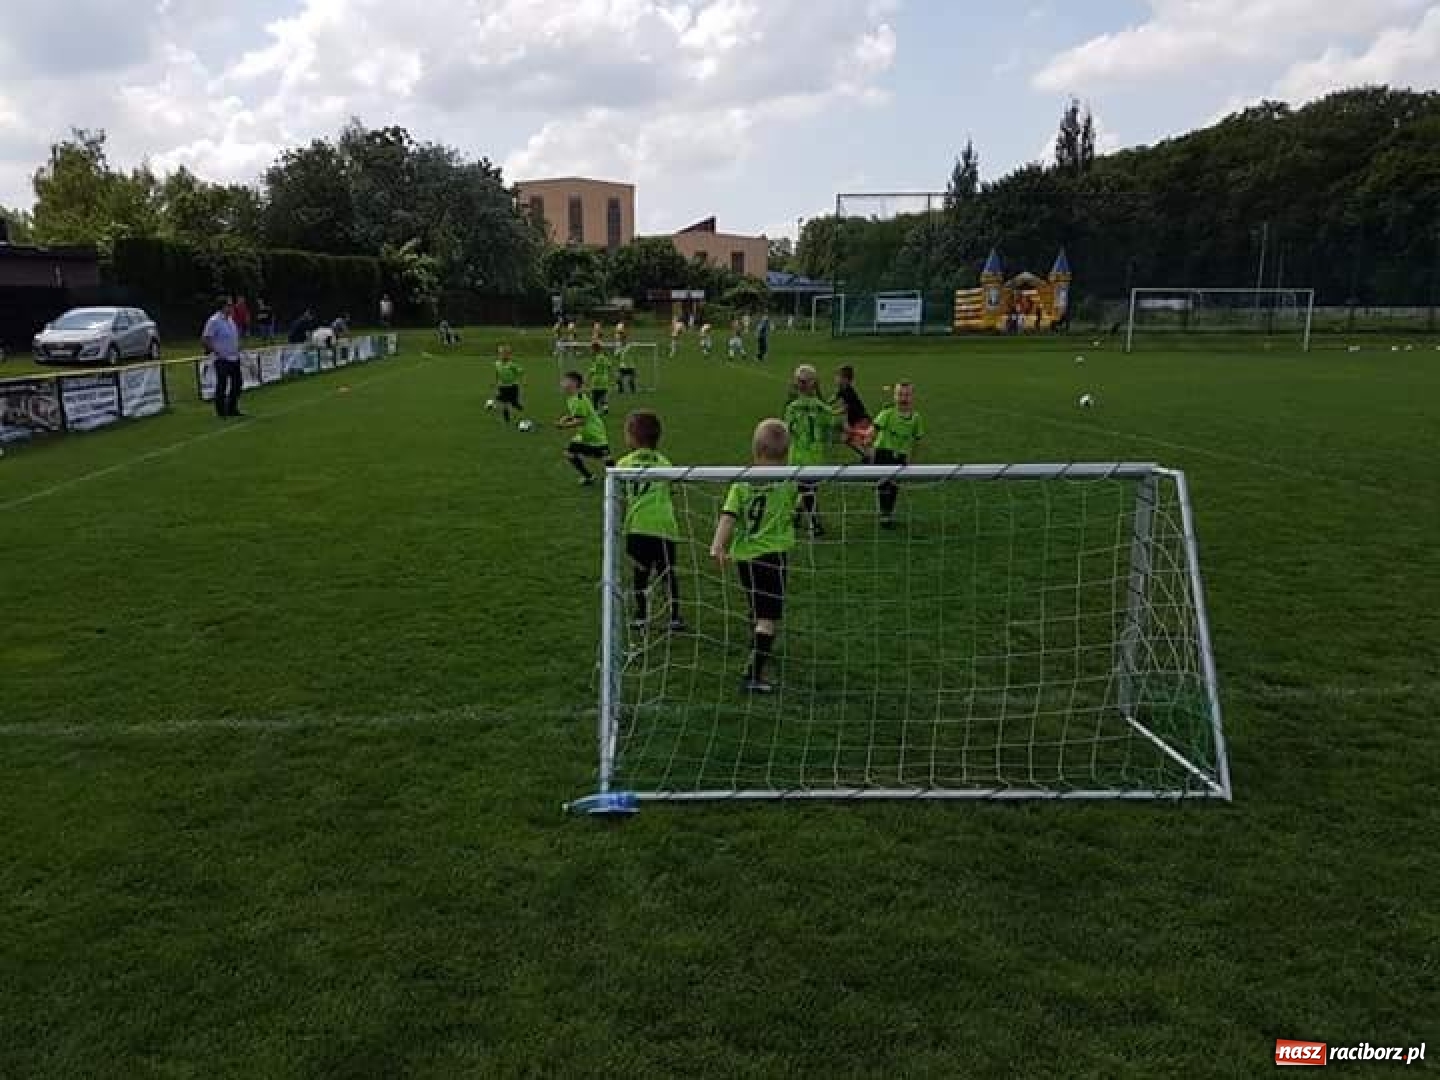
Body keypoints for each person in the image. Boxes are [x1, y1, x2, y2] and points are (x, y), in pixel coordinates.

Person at [710, 419, 797, 694]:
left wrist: (717, 546)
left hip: (745, 559)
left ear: (755, 449)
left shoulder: (742, 483)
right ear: (786, 453)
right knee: (768, 618)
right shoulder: (788, 480)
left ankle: (756, 644)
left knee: (756, 605)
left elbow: (728, 517)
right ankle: (754, 675)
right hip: (773, 557)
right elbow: (803, 499)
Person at [617, 409, 685, 632]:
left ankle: (640, 615)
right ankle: (675, 616)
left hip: (637, 527)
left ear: (633, 437)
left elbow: (617, 494)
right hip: (665, 527)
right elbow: (672, 489)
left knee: (641, 574)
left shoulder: (623, 464)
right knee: (667, 572)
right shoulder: (665, 463)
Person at [783, 364, 831, 537]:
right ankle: (814, 523)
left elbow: (787, 431)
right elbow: (831, 425)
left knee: (805, 489)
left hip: (796, 455)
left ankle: (797, 514)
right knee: (809, 490)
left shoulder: (791, 407)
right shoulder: (820, 407)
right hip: (813, 456)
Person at [872, 381, 926, 528]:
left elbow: (917, 440)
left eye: (907, 394)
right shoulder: (887, 413)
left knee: (894, 486)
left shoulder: (916, 418)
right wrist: (868, 444)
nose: (903, 398)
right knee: (883, 485)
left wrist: (911, 457)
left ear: (912, 397)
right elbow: (874, 430)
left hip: (900, 456)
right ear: (894, 396)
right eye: (900, 394)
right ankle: (883, 514)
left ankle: (888, 512)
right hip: (883, 453)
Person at [556, 371, 612, 486]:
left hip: (595, 433)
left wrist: (563, 426)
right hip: (585, 434)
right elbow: (580, 414)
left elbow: (580, 420)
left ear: (574, 383)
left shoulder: (578, 399)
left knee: (606, 458)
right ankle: (589, 477)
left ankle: (618, 479)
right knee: (569, 453)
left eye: (565, 381)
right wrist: (568, 417)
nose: (562, 383)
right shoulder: (573, 398)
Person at [202, 296, 244, 419]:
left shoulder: (231, 320)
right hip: (222, 359)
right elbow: (205, 338)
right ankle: (221, 411)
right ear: (223, 307)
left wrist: (237, 345)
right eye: (229, 305)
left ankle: (232, 408)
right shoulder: (214, 321)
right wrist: (216, 351)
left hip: (234, 357)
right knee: (222, 384)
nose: (232, 307)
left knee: (237, 383)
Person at [833, 364, 874, 460]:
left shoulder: (849, 392)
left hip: (861, 420)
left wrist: (832, 412)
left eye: (838, 376)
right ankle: (866, 456)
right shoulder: (842, 389)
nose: (835, 379)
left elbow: (845, 409)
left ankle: (872, 458)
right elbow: (833, 399)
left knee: (860, 441)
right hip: (855, 420)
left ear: (846, 380)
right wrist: (823, 405)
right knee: (846, 440)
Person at [494, 346, 524, 426]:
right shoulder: (497, 363)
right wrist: (496, 384)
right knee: (504, 404)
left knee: (514, 403)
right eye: (501, 354)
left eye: (505, 354)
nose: (503, 356)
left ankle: (520, 409)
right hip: (503, 387)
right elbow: (497, 373)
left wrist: (523, 380)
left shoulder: (512, 364)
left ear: (509, 355)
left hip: (513, 386)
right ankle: (506, 420)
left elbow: (521, 371)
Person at [588, 341, 612, 414]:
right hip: (605, 379)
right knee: (603, 395)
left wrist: (586, 377)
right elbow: (609, 366)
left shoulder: (596, 358)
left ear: (595, 349)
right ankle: (605, 408)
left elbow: (593, 370)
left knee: (595, 396)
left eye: (592, 349)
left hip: (596, 379)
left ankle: (595, 410)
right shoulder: (604, 357)